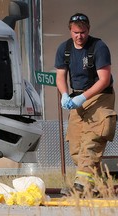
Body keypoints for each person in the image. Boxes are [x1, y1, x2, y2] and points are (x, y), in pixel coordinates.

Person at [55, 13, 117, 195]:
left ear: (88, 30)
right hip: (76, 99)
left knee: (91, 143)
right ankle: (95, 187)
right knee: (76, 147)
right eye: (75, 32)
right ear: (70, 31)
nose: (79, 36)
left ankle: (80, 187)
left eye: (82, 32)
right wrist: (65, 94)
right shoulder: (64, 49)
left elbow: (104, 79)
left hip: (99, 97)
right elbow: (60, 76)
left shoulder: (99, 47)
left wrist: (83, 98)